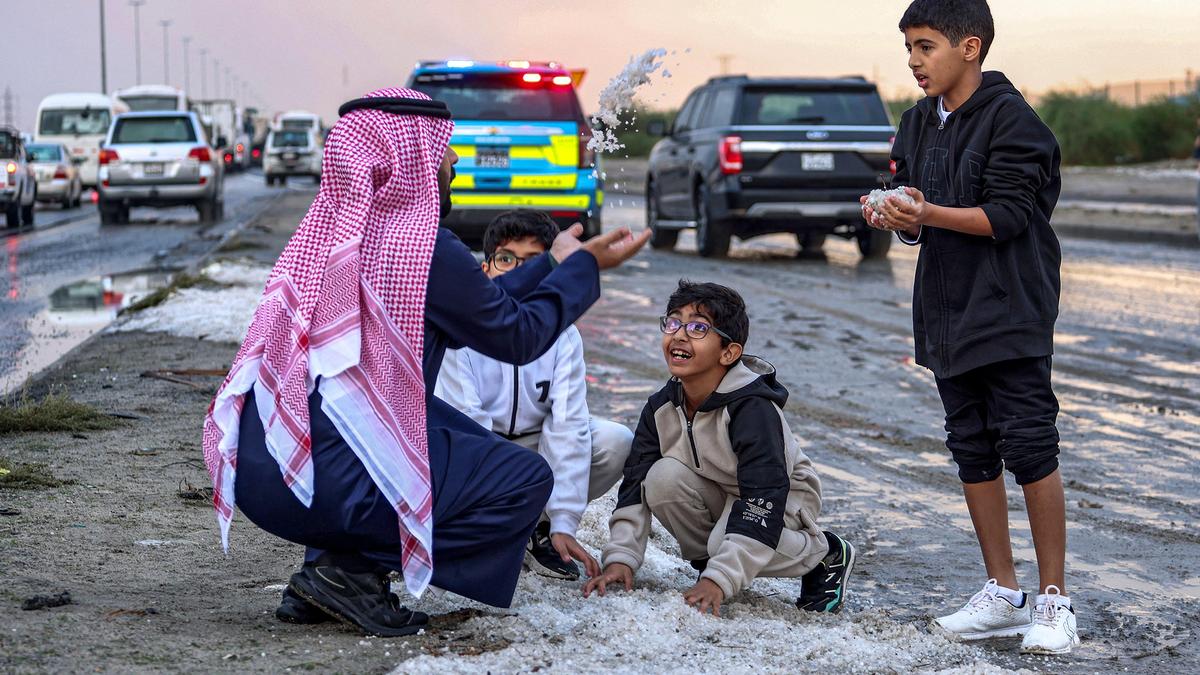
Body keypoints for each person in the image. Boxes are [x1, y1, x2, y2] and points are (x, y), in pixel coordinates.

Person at [201, 88, 650, 637]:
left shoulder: (329, 237)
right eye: (444, 149)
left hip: (267, 471)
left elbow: (481, 300)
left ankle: (329, 568)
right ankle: (351, 571)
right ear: (406, 158)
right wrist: (584, 271)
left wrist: (552, 264)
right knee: (523, 479)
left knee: (453, 439)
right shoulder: (422, 250)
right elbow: (515, 335)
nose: (455, 160)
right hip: (330, 479)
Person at [861, 0, 1076, 656]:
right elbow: (917, 212)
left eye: (925, 47)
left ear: (970, 46)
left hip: (1011, 306)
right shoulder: (917, 122)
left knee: (1030, 444)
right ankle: (1003, 593)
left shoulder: (1014, 121)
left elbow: (1008, 216)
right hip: (947, 310)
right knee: (971, 446)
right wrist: (896, 216)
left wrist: (927, 211)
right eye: (909, 48)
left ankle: (1054, 601)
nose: (913, 61)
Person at [583, 281, 854, 617]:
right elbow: (634, 490)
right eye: (673, 322)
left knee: (725, 540)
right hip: (721, 491)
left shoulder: (752, 410)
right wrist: (620, 560)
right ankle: (716, 558)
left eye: (699, 327)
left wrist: (719, 580)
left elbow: (763, 499)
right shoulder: (660, 408)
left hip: (782, 500)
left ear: (729, 353)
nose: (680, 335)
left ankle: (823, 553)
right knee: (660, 478)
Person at [435, 209, 634, 582]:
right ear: (485, 269)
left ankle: (538, 532)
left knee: (614, 440)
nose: (517, 272)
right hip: (474, 449)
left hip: (531, 444)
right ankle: (492, 532)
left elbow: (567, 425)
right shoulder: (461, 333)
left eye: (534, 262)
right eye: (506, 259)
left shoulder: (563, 336)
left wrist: (563, 520)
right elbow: (468, 428)